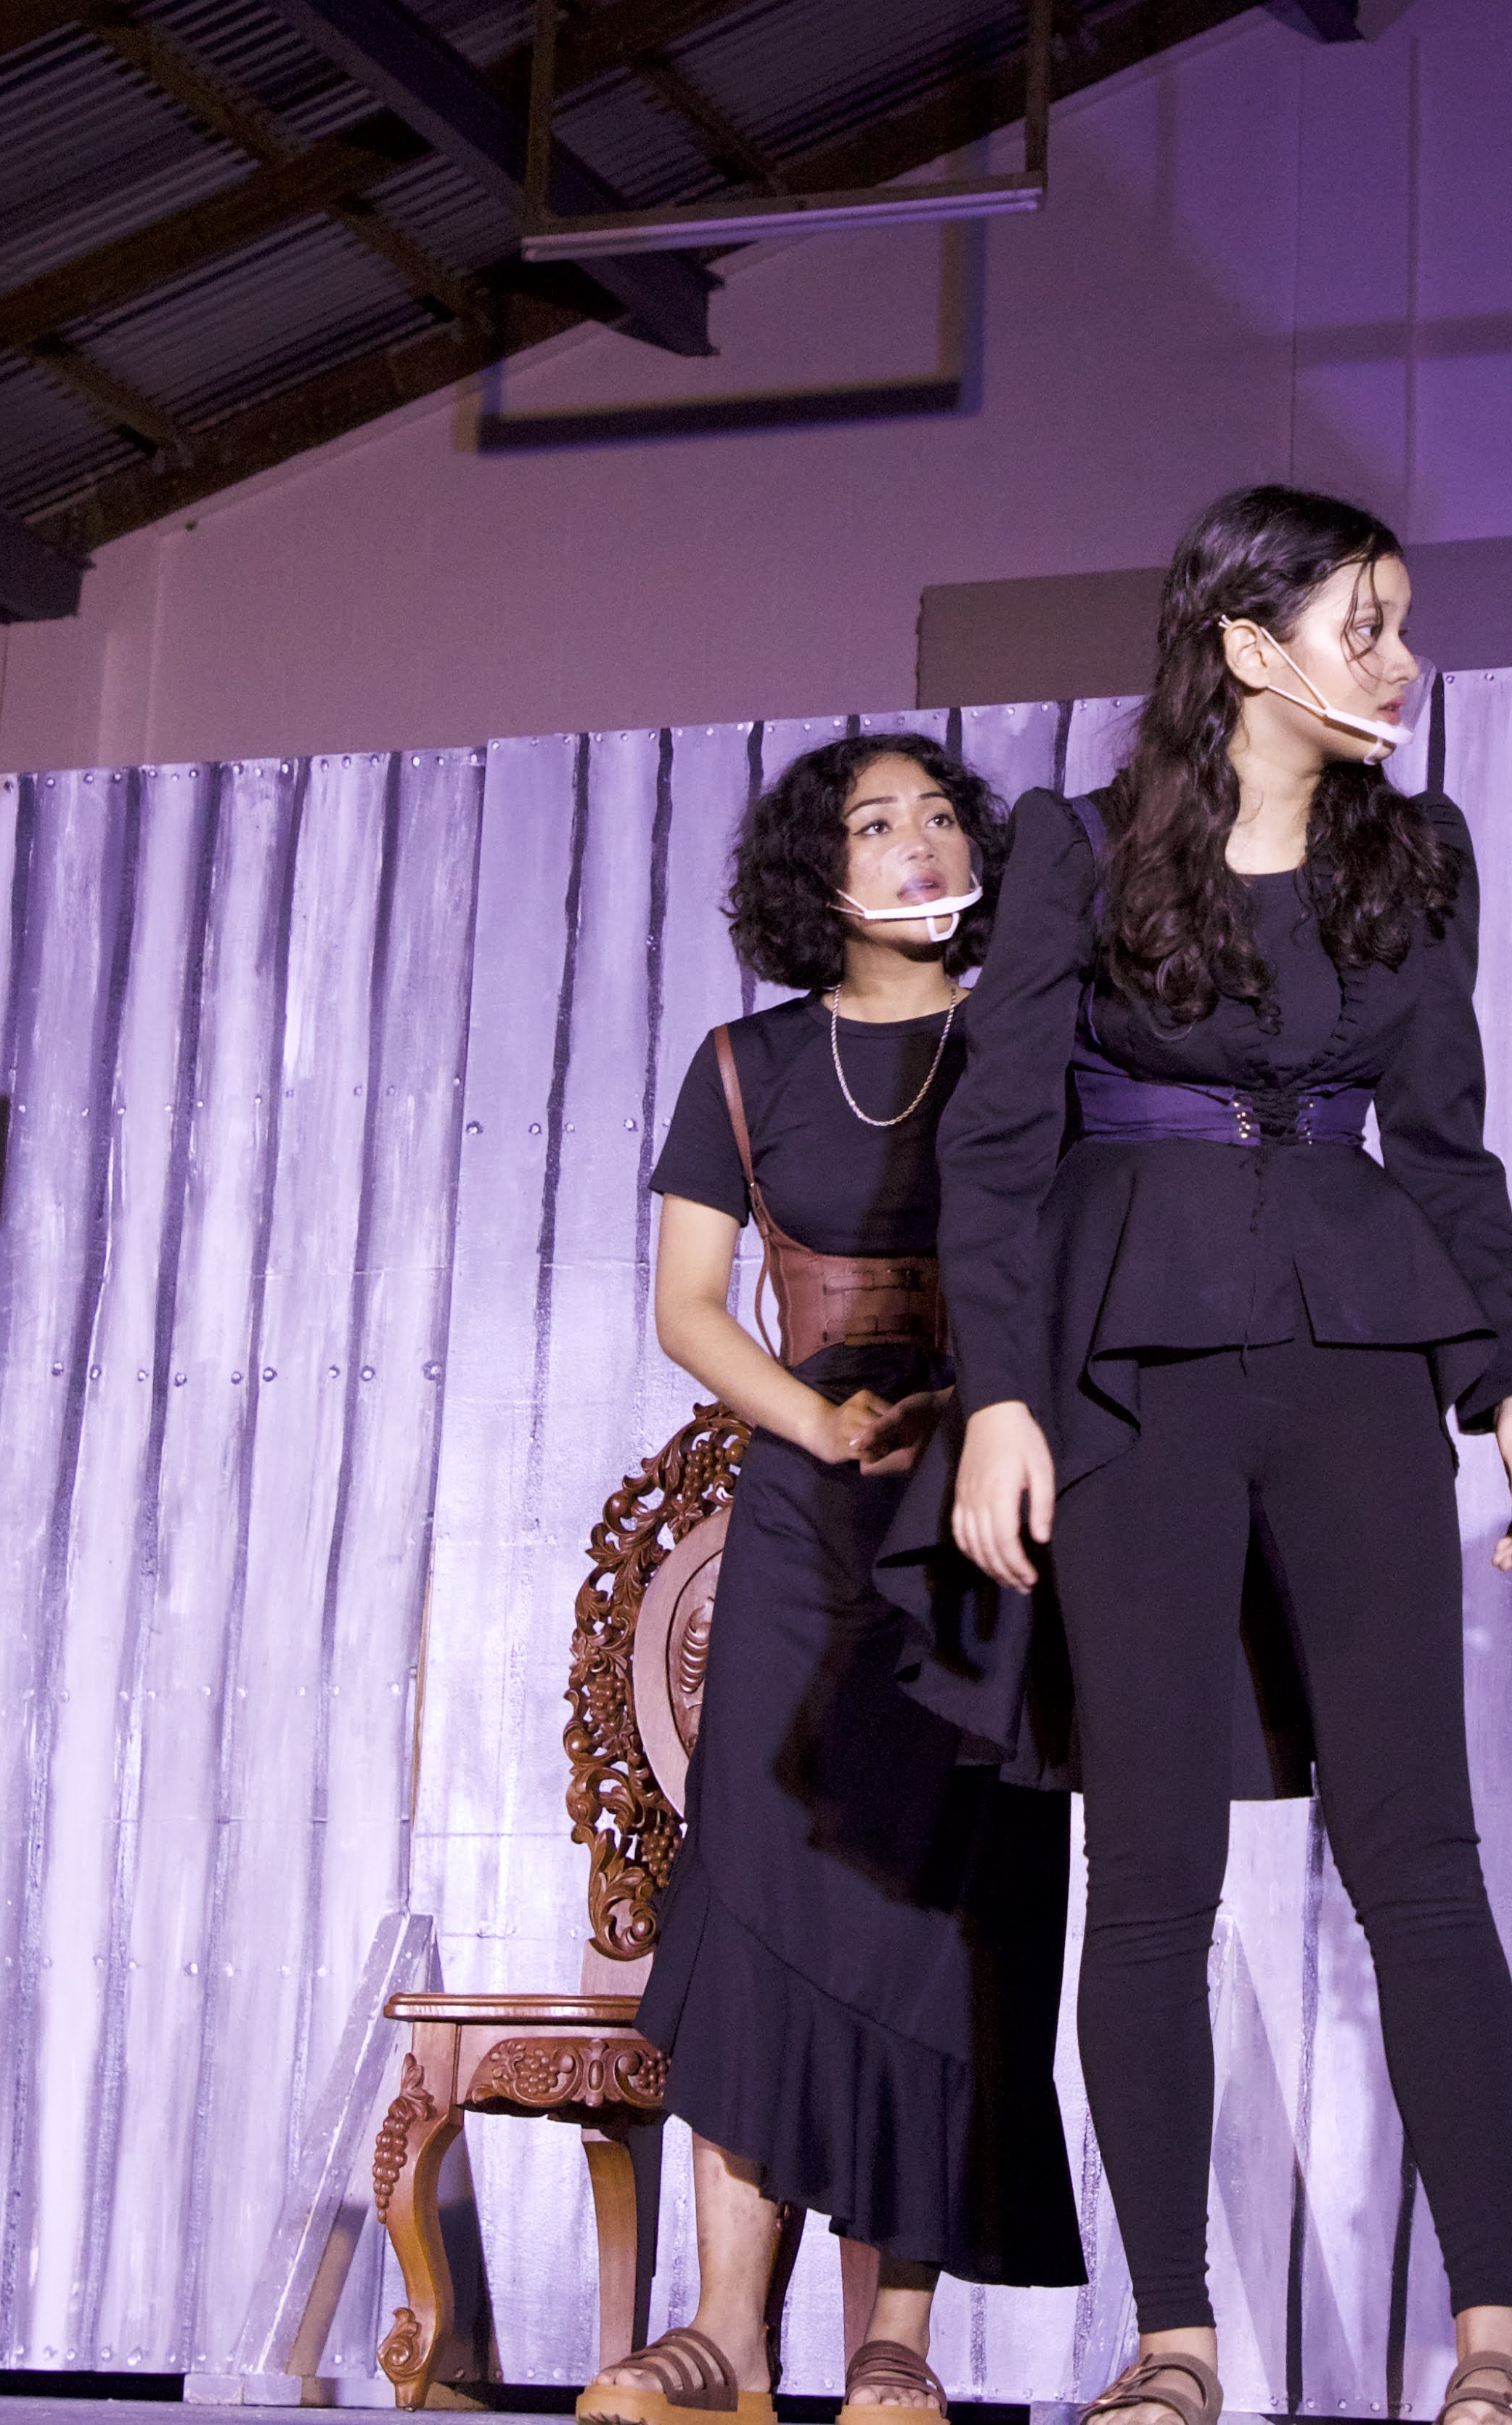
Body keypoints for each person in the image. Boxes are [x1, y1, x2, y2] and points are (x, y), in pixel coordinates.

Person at [928, 484, 1512, 2425]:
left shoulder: (1416, 853)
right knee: (1149, 1862)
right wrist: (1003, 1398)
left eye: (1399, 621)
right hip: (1135, 1365)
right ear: (1245, 644)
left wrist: (1508, 1381)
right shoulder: (1078, 847)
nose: (1397, 658)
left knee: (1420, 1849)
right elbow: (999, 1139)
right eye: (1360, 623)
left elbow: (1443, 1137)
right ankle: (1173, 2340)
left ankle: (1492, 2350)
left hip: (1362, 1351)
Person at [594, 735, 1083, 2425]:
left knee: (934, 1911)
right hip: (807, 1514)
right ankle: (728, 2330)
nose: (914, 840)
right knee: (768, 1902)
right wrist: (818, 1414)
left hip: (984, 1498)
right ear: (817, 872)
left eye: (939, 814)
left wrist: (970, 1408)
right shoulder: (744, 1063)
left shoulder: (1031, 1043)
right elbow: (688, 1305)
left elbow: (1083, 1266)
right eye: (874, 821)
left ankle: (899, 2339)